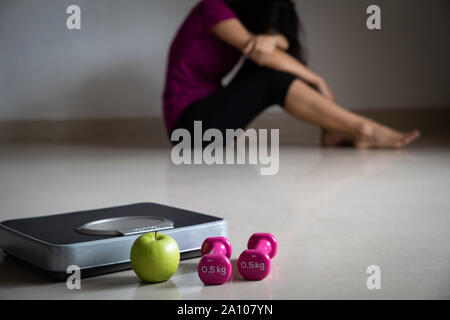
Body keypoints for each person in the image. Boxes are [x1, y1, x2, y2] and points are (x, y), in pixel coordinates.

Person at [162, 0, 420, 148]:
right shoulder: (213, 9)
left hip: (206, 119)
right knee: (271, 76)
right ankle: (363, 128)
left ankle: (334, 130)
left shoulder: (241, 24)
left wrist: (276, 39)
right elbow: (260, 51)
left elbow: (268, 48)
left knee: (268, 67)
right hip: (189, 128)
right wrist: (316, 78)